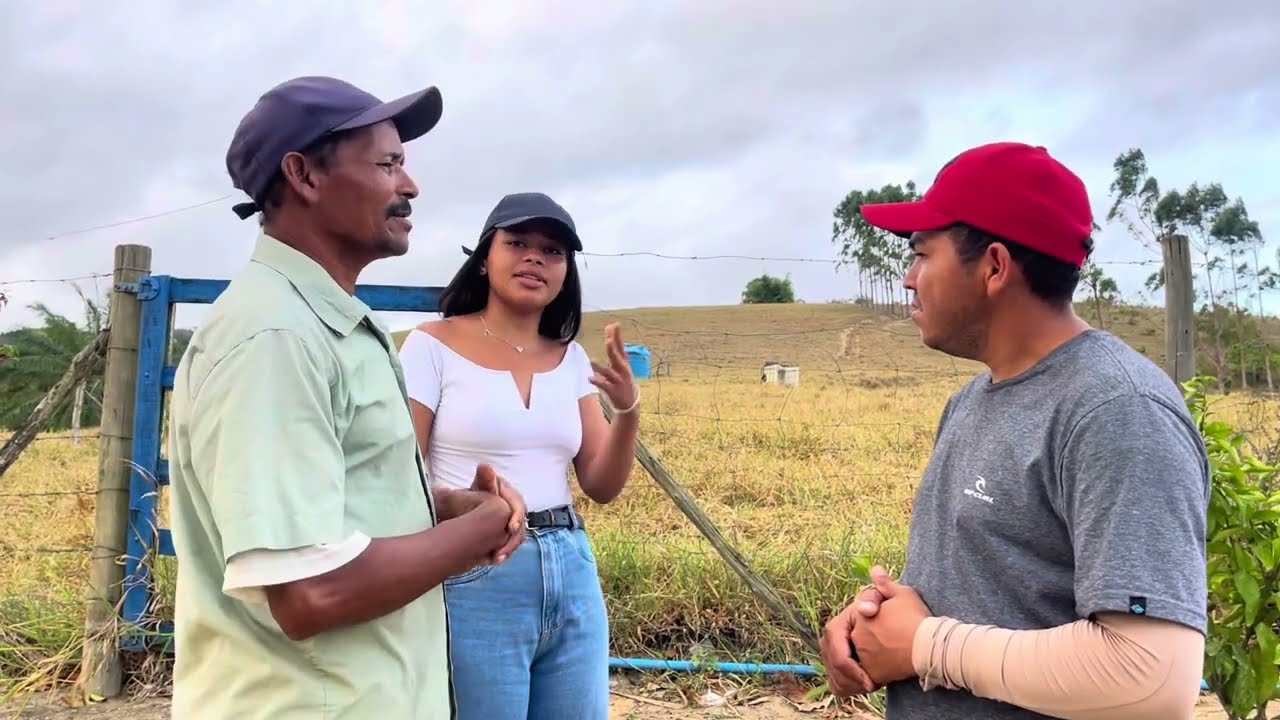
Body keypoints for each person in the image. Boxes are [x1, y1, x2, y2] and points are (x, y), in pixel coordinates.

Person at [167, 75, 526, 720]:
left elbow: (327, 506)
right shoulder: (274, 338)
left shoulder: (327, 324)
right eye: (387, 164)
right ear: (303, 175)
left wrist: (438, 509)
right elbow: (311, 591)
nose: (410, 186)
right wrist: (477, 531)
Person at [818, 142, 1210, 719]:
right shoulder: (971, 401)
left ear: (995, 267)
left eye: (922, 255)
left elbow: (1152, 679)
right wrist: (873, 625)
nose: (907, 279)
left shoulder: (1118, 412)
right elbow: (997, 589)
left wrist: (925, 646)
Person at [398, 191, 641, 720]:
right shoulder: (430, 346)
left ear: (565, 274)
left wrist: (627, 411)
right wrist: (461, 508)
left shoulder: (571, 358)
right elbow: (398, 477)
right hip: (474, 566)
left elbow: (601, 484)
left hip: (570, 565)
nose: (535, 257)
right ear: (485, 258)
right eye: (518, 243)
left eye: (553, 251)